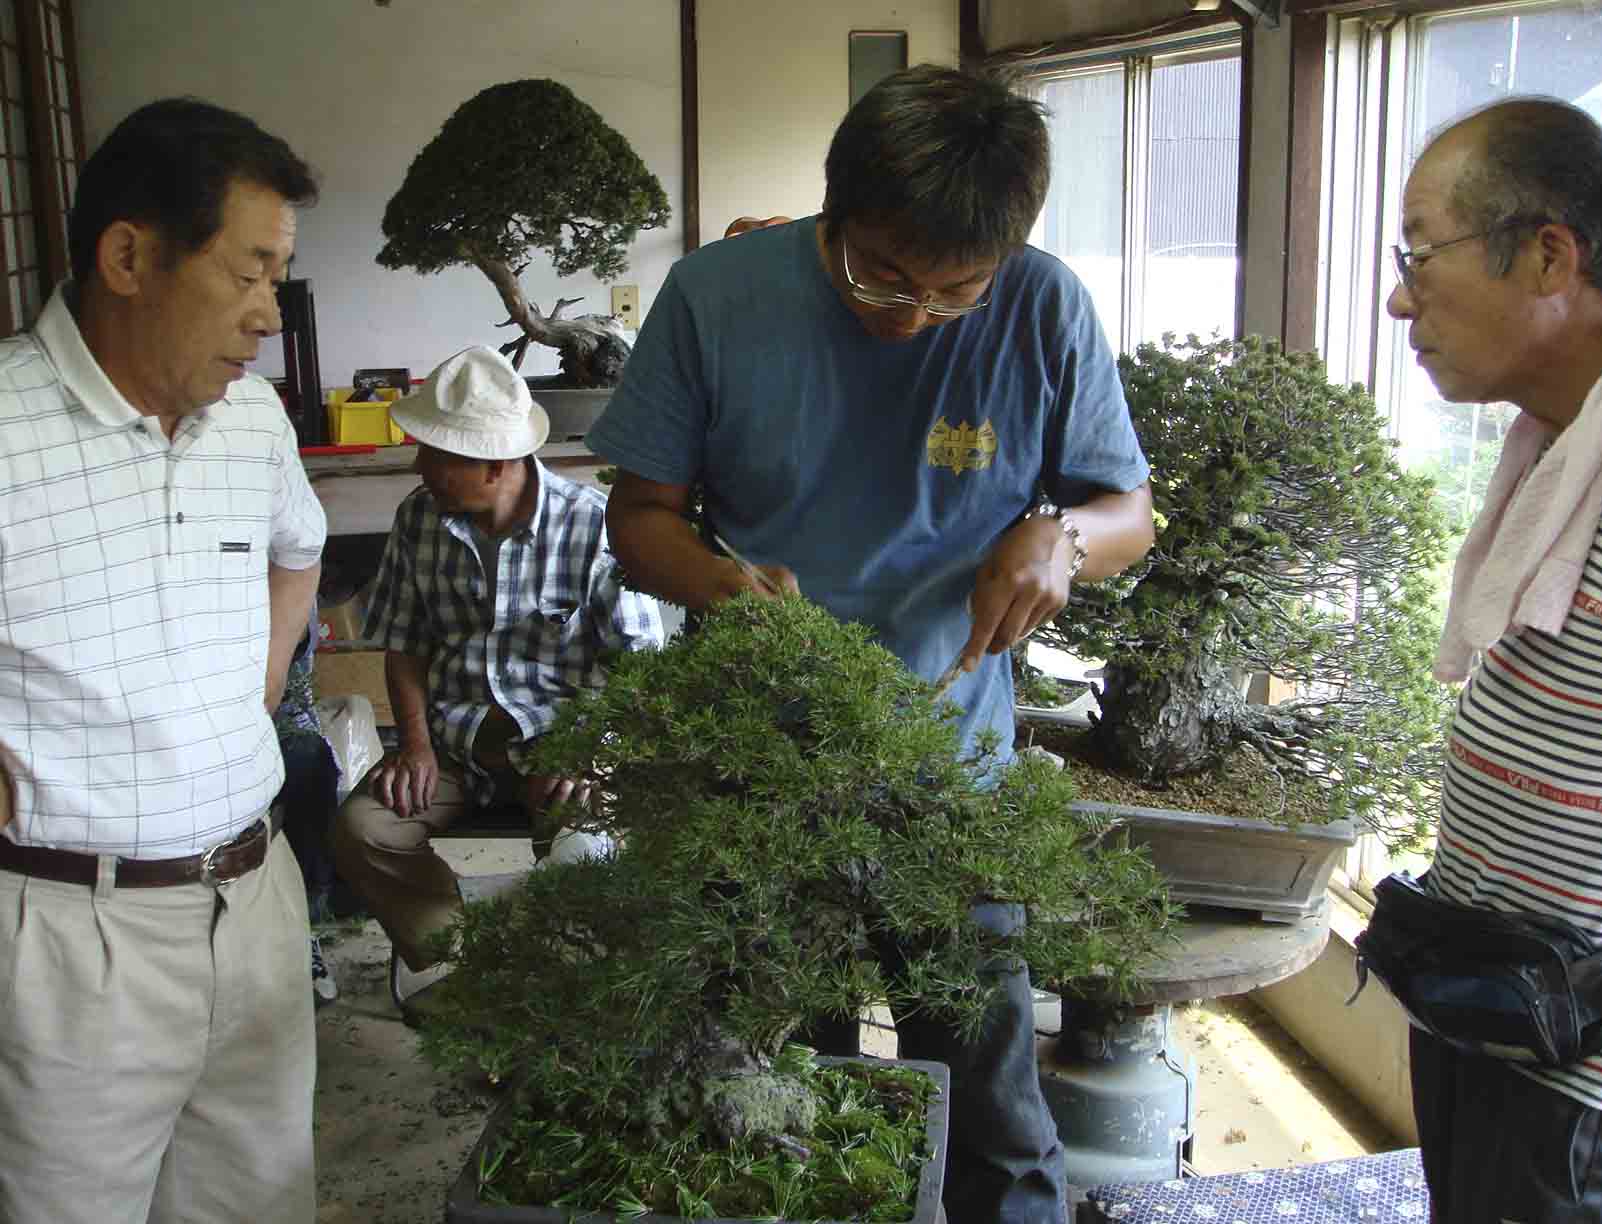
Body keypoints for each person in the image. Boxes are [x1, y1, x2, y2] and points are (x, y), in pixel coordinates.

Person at [587, 65, 1155, 1224]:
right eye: (881, 273)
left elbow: (1128, 512)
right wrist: (722, 584)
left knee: (992, 1098)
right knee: (781, 1092)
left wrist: (1062, 538)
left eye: (956, 291)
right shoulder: (716, 297)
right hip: (760, 765)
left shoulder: (1042, 307)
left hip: (951, 769)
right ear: (834, 208)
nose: (912, 312)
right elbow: (638, 517)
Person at [0, 99, 325, 1222]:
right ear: (130, 258)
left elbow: (298, 554)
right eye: (248, 273)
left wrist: (257, 689)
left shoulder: (254, 421)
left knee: (258, 1202)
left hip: (255, 898)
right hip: (69, 935)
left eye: (279, 278)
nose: (268, 315)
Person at [1382, 97, 1602, 1222]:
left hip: (1589, 1072)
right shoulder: (1566, 436)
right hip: (1490, 1009)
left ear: (1548, 256)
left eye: (1420, 254)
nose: (1401, 299)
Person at [331, 345, 665, 1017]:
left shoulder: (592, 523)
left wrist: (590, 754)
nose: (420, 468)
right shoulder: (418, 518)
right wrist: (415, 746)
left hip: (562, 747)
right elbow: (404, 645)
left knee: (586, 850)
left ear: (494, 464)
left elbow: (642, 665)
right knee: (361, 829)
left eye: (436, 454)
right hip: (453, 747)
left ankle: (573, 1000)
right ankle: (468, 961)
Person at [272, 602, 343, 1006]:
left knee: (310, 762)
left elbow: (293, 642)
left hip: (277, 716)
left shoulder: (286, 579)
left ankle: (306, 929)